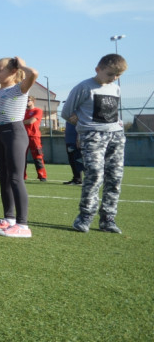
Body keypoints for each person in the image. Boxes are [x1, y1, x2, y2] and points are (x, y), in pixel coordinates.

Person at [62, 54, 128, 234]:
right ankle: (84, 217)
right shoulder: (84, 87)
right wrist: (82, 128)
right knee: (95, 174)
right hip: (92, 136)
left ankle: (108, 219)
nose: (114, 78)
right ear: (98, 69)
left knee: (114, 178)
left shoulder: (115, 89)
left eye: (118, 75)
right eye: (110, 74)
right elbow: (67, 113)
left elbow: (111, 112)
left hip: (116, 136)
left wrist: (118, 124)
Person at [0, 57, 38, 238]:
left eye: (0, 70)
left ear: (13, 71)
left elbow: (33, 74)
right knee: (3, 178)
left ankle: (23, 225)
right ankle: (9, 219)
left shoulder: (20, 89)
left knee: (15, 178)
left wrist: (21, 65)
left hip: (15, 133)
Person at [23, 96, 47, 181]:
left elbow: (31, 121)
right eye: (25, 100)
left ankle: (42, 176)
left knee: (38, 156)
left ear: (33, 101)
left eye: (28, 100)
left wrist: (19, 122)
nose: (26, 102)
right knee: (21, 157)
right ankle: (22, 176)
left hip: (34, 137)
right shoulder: (23, 111)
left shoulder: (38, 110)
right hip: (23, 137)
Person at [63, 119, 84, 185]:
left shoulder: (79, 114)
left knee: (78, 161)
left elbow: (81, 127)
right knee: (72, 160)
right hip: (69, 140)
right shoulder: (69, 116)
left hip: (75, 141)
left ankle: (79, 179)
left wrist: (79, 139)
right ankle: (76, 179)